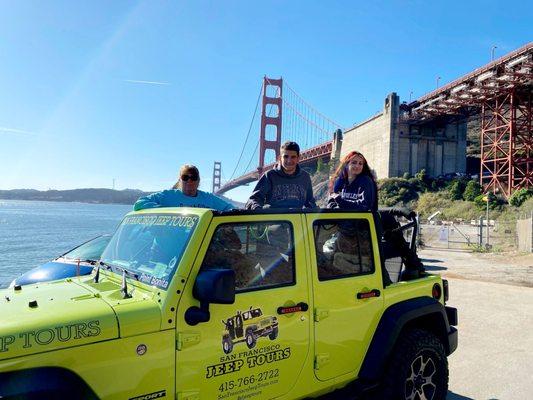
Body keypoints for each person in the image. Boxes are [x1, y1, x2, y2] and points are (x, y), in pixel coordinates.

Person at [245, 141, 316, 209]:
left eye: (293, 157)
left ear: (298, 158)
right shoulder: (269, 176)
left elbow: (310, 203)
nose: (289, 160)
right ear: (280, 158)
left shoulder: (305, 177)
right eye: (286, 156)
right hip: (275, 220)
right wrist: (256, 208)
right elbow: (253, 200)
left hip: (297, 220)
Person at [134, 164, 233, 211]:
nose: (189, 181)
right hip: (165, 250)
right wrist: (165, 212)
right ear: (180, 180)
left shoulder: (208, 198)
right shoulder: (167, 196)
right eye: (185, 177)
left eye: (193, 177)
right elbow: (139, 204)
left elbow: (230, 209)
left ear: (198, 181)